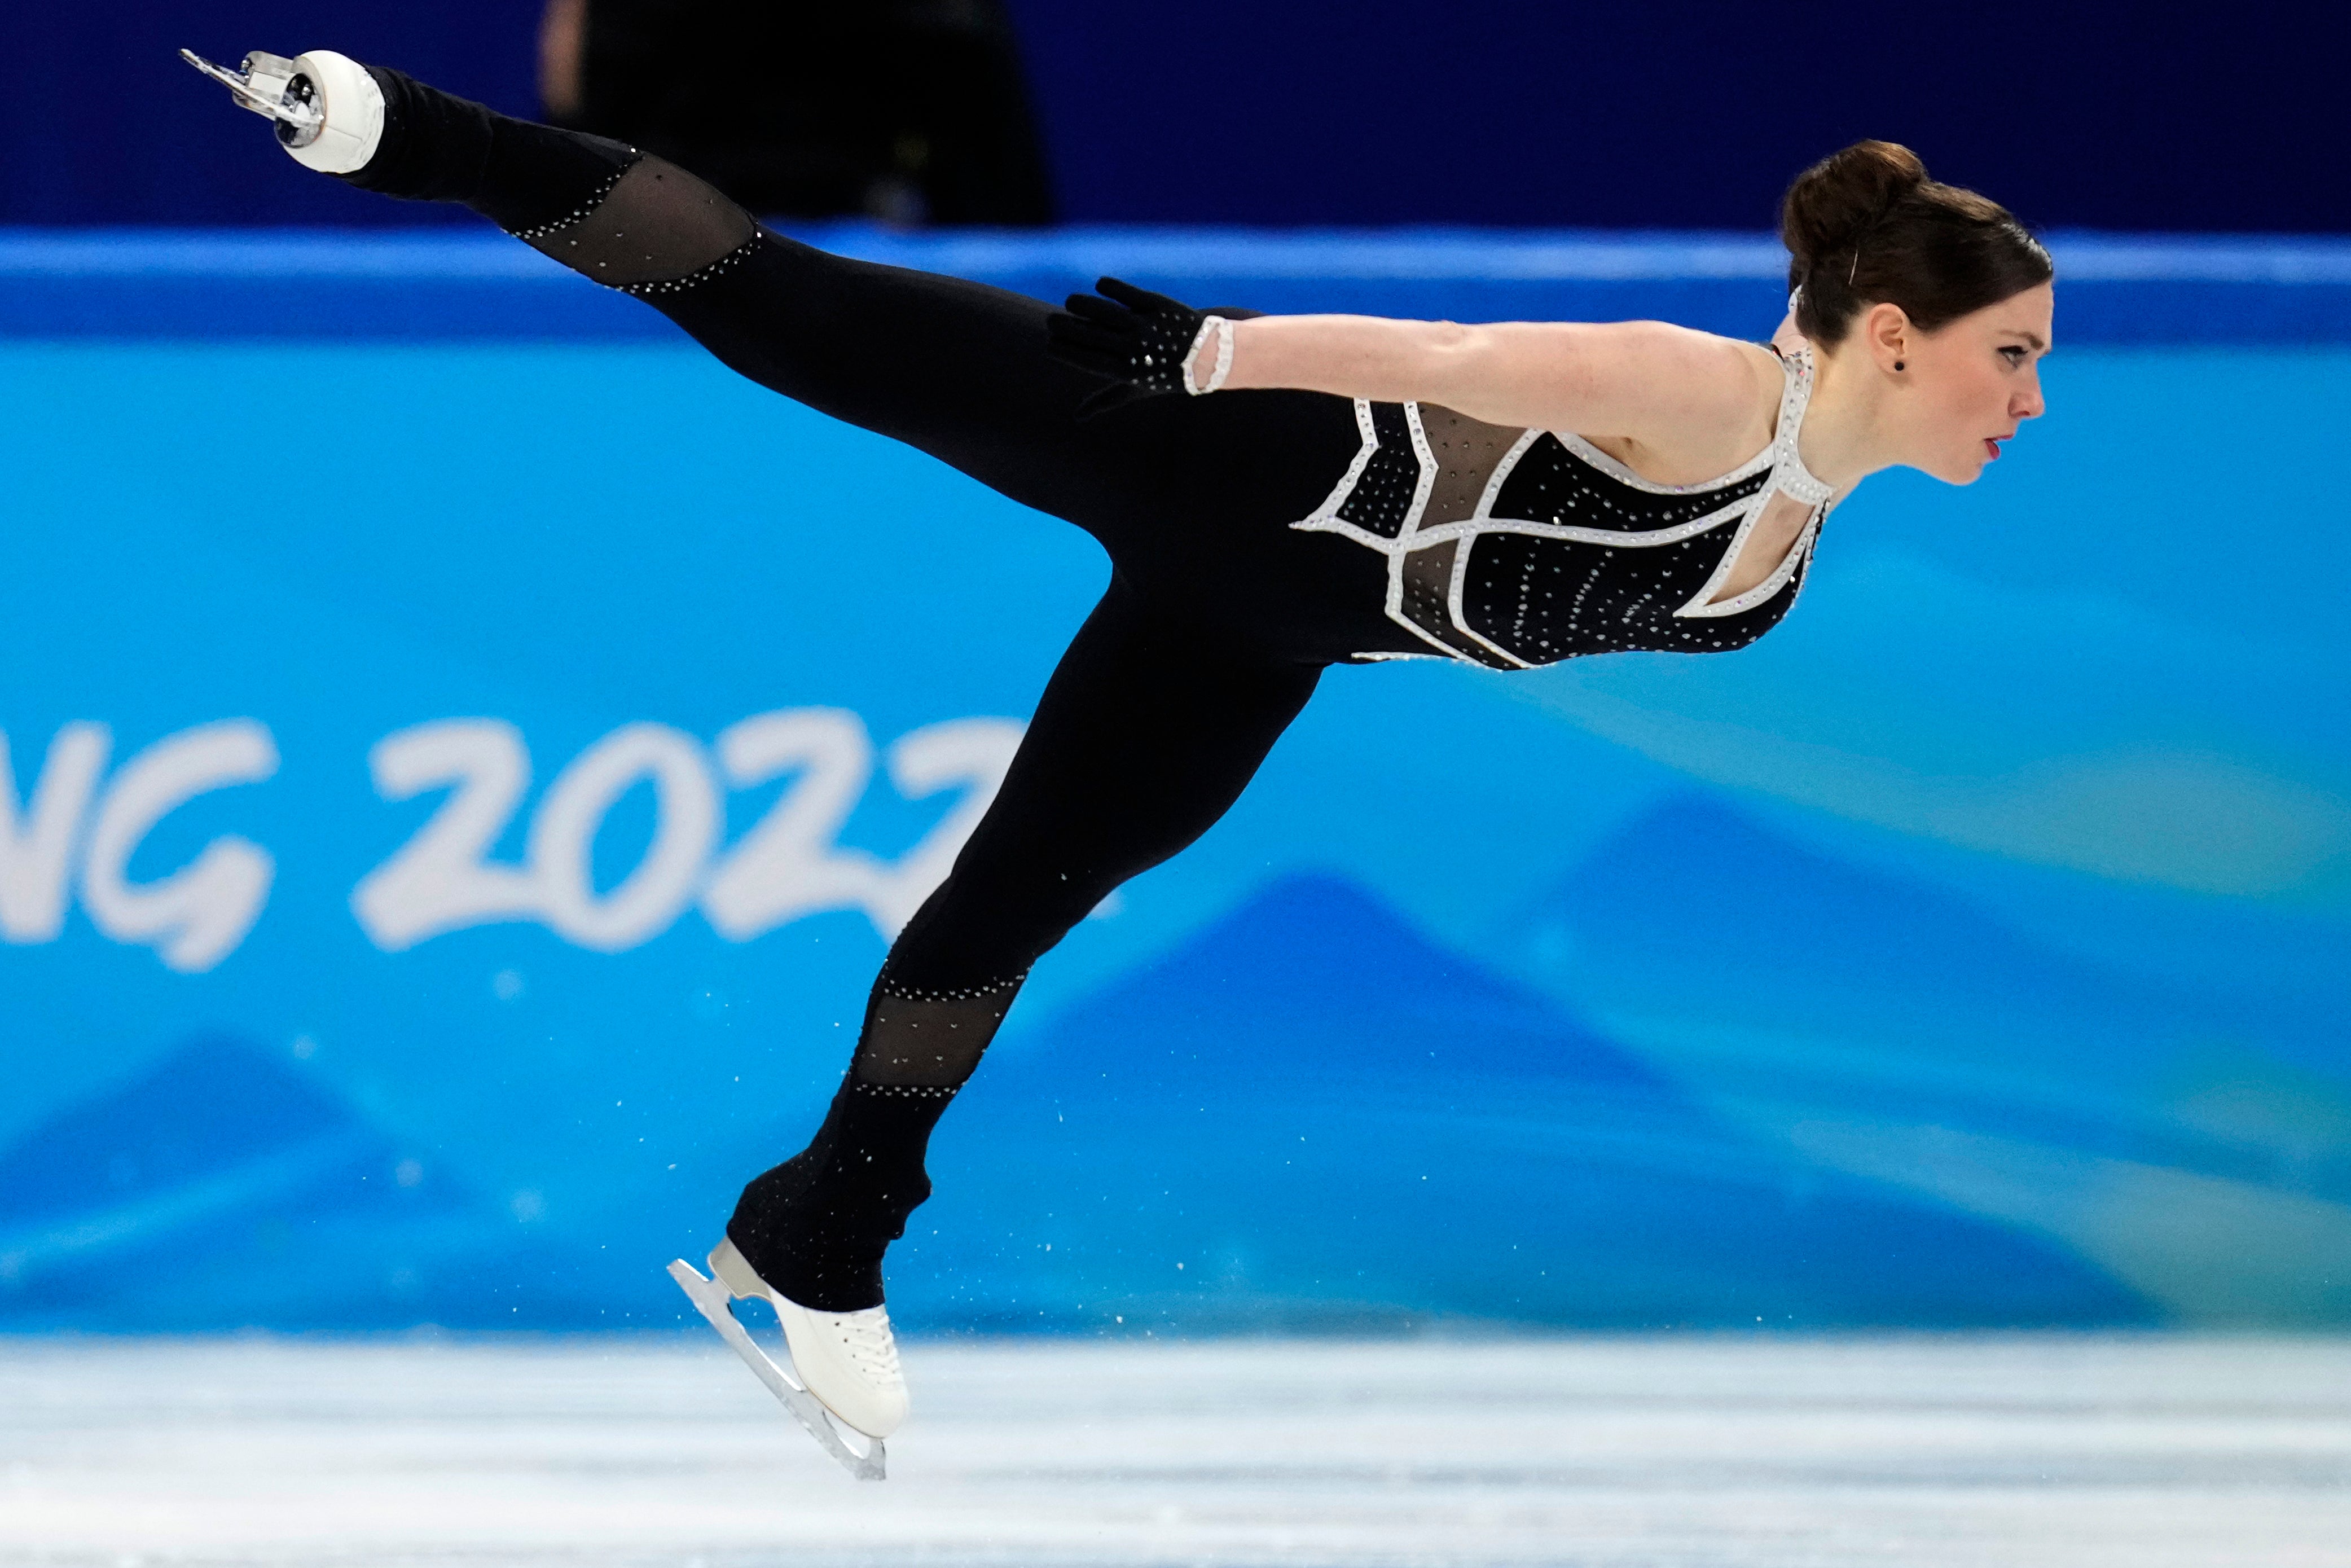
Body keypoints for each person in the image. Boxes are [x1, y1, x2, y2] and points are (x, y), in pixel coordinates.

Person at [188, 48, 2051, 1470]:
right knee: (793, 305)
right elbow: (1473, 356)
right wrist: (1217, 357)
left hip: (1260, 635)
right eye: (2016, 356)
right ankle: (397, 128)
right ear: (1895, 336)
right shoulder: (1713, 396)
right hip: (1226, 460)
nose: (2030, 398)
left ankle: (820, 1225)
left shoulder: (1791, 537)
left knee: (1012, 898)